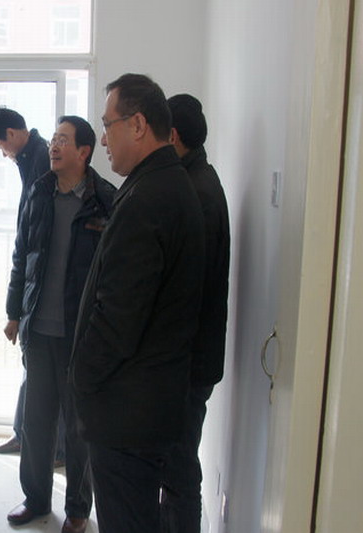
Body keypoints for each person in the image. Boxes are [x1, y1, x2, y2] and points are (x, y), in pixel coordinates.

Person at [69, 73, 205, 532]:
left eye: (108, 125)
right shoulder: (168, 184)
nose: (104, 139)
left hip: (126, 417)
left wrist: (81, 380)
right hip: (147, 408)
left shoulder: (149, 199)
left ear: (139, 124)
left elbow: (117, 319)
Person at [4, 116, 115, 533]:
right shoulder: (38, 192)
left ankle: (78, 509)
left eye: (63, 140)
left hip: (80, 336)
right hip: (38, 330)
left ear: (84, 152)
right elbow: (22, 255)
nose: (53, 146)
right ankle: (35, 498)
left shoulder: (106, 200)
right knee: (36, 422)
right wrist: (14, 312)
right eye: (53, 139)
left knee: (79, 428)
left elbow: (113, 275)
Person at [160, 94, 230, 533]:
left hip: (189, 362)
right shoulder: (200, 178)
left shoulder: (196, 192)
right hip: (194, 358)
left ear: (172, 136)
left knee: (180, 466)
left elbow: (186, 290)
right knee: (176, 461)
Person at [0, 107, 52, 456]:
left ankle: (32, 438)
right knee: (34, 369)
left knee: (37, 369)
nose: (3, 154)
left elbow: (31, 241)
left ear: (12, 134)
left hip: (39, 287)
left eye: (1, 147)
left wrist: (17, 311)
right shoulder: (31, 159)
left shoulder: (40, 160)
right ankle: (26, 435)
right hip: (33, 285)